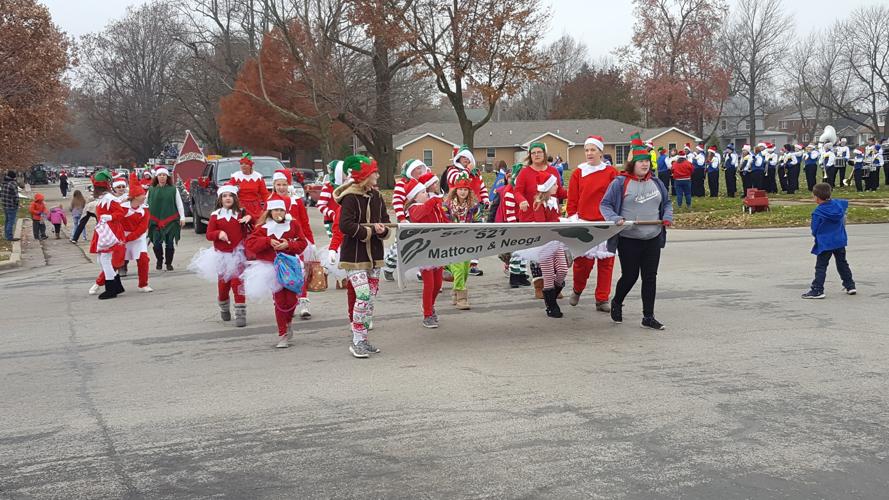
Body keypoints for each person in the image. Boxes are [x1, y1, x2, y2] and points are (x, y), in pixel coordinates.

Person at [600, 132, 673, 331]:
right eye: (641, 162)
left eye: (647, 162)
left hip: (652, 237)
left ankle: (648, 317)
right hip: (629, 238)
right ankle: (617, 301)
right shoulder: (619, 183)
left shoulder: (657, 183)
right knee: (630, 276)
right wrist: (615, 219)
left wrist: (667, 216)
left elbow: (666, 203)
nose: (645, 165)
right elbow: (605, 205)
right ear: (633, 163)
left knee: (650, 277)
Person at [333, 155, 390, 359]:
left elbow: (385, 221)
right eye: (374, 172)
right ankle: (357, 340)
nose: (378, 174)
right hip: (354, 257)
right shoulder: (349, 198)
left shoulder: (377, 196)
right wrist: (370, 231)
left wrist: (382, 231)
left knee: (370, 300)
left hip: (374, 256)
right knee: (363, 296)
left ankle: (364, 339)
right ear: (365, 175)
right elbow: (345, 225)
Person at [244, 198, 308, 348]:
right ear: (270, 212)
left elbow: (302, 243)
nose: (278, 213)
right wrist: (267, 241)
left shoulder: (293, 225)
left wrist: (289, 244)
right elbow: (251, 244)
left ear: (285, 212)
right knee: (279, 301)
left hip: (290, 268)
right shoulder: (263, 228)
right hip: (272, 269)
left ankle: (288, 322)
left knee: (291, 300)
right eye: (275, 210)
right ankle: (282, 333)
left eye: (281, 210)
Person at [566, 135, 618, 312]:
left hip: (605, 223)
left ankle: (602, 299)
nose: (589, 153)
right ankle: (577, 289)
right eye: (586, 150)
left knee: (606, 263)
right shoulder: (578, 173)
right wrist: (573, 218)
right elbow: (572, 199)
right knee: (582, 263)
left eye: (592, 150)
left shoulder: (611, 173)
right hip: (584, 222)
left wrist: (616, 217)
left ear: (600, 152)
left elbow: (616, 197)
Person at [189, 184, 250, 327]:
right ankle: (223, 305)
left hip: (238, 254)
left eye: (230, 196)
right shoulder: (216, 215)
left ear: (235, 198)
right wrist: (219, 234)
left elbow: (255, 223)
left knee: (238, 283)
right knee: (223, 286)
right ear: (220, 199)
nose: (227, 198)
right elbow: (209, 235)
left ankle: (240, 312)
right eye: (224, 196)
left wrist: (249, 218)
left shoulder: (241, 213)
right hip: (222, 255)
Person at [515, 142, 568, 299]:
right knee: (537, 253)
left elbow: (559, 190)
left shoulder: (553, 171)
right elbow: (517, 191)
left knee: (553, 251)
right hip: (531, 216)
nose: (536, 155)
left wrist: (574, 194)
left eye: (539, 152)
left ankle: (552, 284)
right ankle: (539, 285)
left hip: (550, 216)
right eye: (533, 153)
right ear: (530, 156)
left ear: (544, 154)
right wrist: (522, 201)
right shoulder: (525, 173)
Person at [519, 171, 567, 318]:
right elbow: (542, 224)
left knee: (563, 270)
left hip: (556, 241)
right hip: (544, 244)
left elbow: (556, 219)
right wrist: (557, 223)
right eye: (554, 184)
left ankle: (552, 296)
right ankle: (551, 305)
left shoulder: (554, 201)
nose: (557, 186)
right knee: (547, 275)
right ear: (547, 187)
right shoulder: (539, 204)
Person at [270, 168, 315, 319]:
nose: (281, 188)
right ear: (274, 185)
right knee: (280, 274)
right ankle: (284, 304)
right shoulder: (270, 202)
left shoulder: (296, 202)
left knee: (299, 272)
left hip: (296, 244)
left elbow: (305, 222)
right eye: (278, 185)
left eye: (284, 184)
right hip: (277, 245)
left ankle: (303, 303)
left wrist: (310, 241)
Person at [406, 175, 448, 327]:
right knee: (429, 284)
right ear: (415, 197)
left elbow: (442, 219)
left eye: (426, 191)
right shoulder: (414, 208)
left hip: (437, 248)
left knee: (438, 284)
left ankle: (430, 306)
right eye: (422, 193)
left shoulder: (432, 204)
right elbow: (420, 214)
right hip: (423, 250)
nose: (426, 194)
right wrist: (435, 200)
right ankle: (427, 314)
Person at [802, 183, 856, 299]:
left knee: (821, 266)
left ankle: (817, 289)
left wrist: (816, 235)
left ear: (816, 197)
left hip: (825, 242)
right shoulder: (838, 205)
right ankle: (850, 285)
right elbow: (844, 203)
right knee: (842, 263)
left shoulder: (818, 212)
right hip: (839, 240)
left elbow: (814, 229)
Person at [383, 159, 430, 282]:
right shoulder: (401, 183)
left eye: (421, 168)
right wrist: (402, 218)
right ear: (411, 170)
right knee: (400, 244)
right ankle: (389, 265)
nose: (420, 171)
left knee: (421, 243)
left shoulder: (421, 183)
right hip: (407, 218)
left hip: (420, 217)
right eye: (417, 168)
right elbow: (397, 201)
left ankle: (422, 270)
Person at [447, 147, 488, 277]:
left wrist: (486, 200)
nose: (465, 160)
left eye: (468, 158)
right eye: (463, 157)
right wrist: (468, 169)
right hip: (456, 207)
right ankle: (452, 264)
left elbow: (482, 188)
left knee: (477, 236)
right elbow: (456, 180)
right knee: (456, 237)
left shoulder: (475, 173)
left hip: (474, 207)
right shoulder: (452, 170)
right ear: (458, 158)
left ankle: (473, 264)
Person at [443, 172, 481, 311]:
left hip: (467, 241)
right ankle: (462, 297)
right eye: (460, 189)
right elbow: (444, 221)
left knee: (465, 269)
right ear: (455, 190)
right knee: (458, 267)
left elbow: (478, 221)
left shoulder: (474, 206)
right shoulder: (447, 205)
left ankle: (456, 291)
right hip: (452, 240)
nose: (463, 192)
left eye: (465, 190)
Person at [89, 171, 128, 300]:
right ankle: (117, 285)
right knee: (102, 259)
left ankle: (111, 288)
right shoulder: (103, 198)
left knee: (105, 259)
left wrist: (110, 216)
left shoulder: (110, 199)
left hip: (111, 231)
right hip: (105, 229)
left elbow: (121, 213)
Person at [147, 165, 185, 271]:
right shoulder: (151, 190)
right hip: (155, 222)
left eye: (164, 175)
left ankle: (169, 263)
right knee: (157, 244)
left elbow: (179, 204)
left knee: (170, 244)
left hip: (171, 221)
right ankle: (159, 260)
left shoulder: (173, 190)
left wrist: (182, 217)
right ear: (156, 177)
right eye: (160, 175)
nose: (162, 177)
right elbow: (145, 205)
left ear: (167, 177)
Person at [121, 176, 152, 293]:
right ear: (135, 197)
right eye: (142, 195)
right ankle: (101, 282)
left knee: (144, 259)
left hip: (138, 238)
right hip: (121, 237)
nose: (145, 197)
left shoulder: (145, 210)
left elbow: (142, 228)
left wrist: (129, 238)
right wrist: (122, 237)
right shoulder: (122, 208)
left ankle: (143, 284)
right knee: (115, 262)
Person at [228, 153, 268, 222]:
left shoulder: (258, 177)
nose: (243, 166)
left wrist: (270, 205)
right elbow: (228, 190)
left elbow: (264, 194)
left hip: (255, 208)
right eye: (241, 164)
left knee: (256, 227)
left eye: (246, 164)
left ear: (250, 165)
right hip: (240, 207)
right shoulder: (235, 177)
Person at [318, 160, 344, 238]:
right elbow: (321, 205)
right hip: (331, 221)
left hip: (345, 221)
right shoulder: (328, 187)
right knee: (335, 243)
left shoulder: (347, 186)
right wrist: (332, 214)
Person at [2, 170, 19, 241]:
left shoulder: (3, 183)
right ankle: (9, 237)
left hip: (5, 204)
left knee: (7, 221)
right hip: (11, 205)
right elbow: (16, 196)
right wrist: (17, 204)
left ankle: (6, 235)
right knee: (11, 221)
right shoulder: (13, 183)